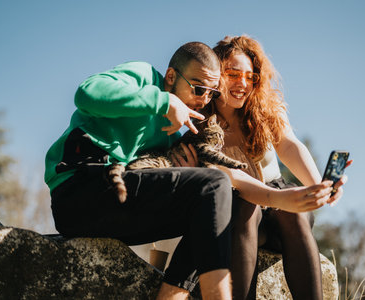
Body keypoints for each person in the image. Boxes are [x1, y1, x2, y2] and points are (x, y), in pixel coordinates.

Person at [44, 42, 235, 300]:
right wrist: (164, 101)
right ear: (170, 76)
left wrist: (184, 176)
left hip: (117, 205)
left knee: (215, 204)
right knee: (213, 185)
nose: (204, 99)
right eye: (199, 88)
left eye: (211, 93)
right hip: (79, 189)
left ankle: (171, 295)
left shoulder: (169, 133)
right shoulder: (144, 77)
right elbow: (86, 93)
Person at [173, 35, 347, 300]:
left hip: (279, 209)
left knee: (294, 215)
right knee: (246, 205)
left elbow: (289, 145)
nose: (242, 83)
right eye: (233, 74)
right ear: (217, 74)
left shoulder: (264, 108)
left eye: (250, 77)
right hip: (237, 210)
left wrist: (318, 186)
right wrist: (279, 198)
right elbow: (233, 177)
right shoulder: (201, 117)